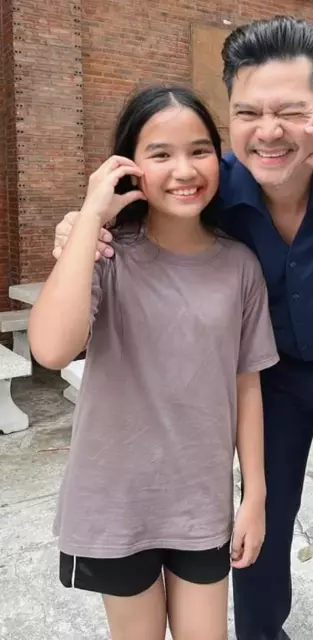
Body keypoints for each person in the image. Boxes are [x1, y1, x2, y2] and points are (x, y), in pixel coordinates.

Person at [52, 16, 313, 640]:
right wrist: (78, 230)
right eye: (249, 112)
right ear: (230, 113)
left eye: (290, 111)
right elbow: (142, 215)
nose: (269, 131)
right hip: (269, 378)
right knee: (260, 528)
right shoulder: (218, 186)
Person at [28, 85, 280, 640]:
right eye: (160, 154)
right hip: (116, 503)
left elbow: (247, 385)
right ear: (129, 166)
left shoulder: (240, 267)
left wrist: (255, 495)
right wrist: (90, 218)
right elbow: (50, 349)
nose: (183, 170)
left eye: (199, 150)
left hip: (200, 504)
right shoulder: (108, 255)